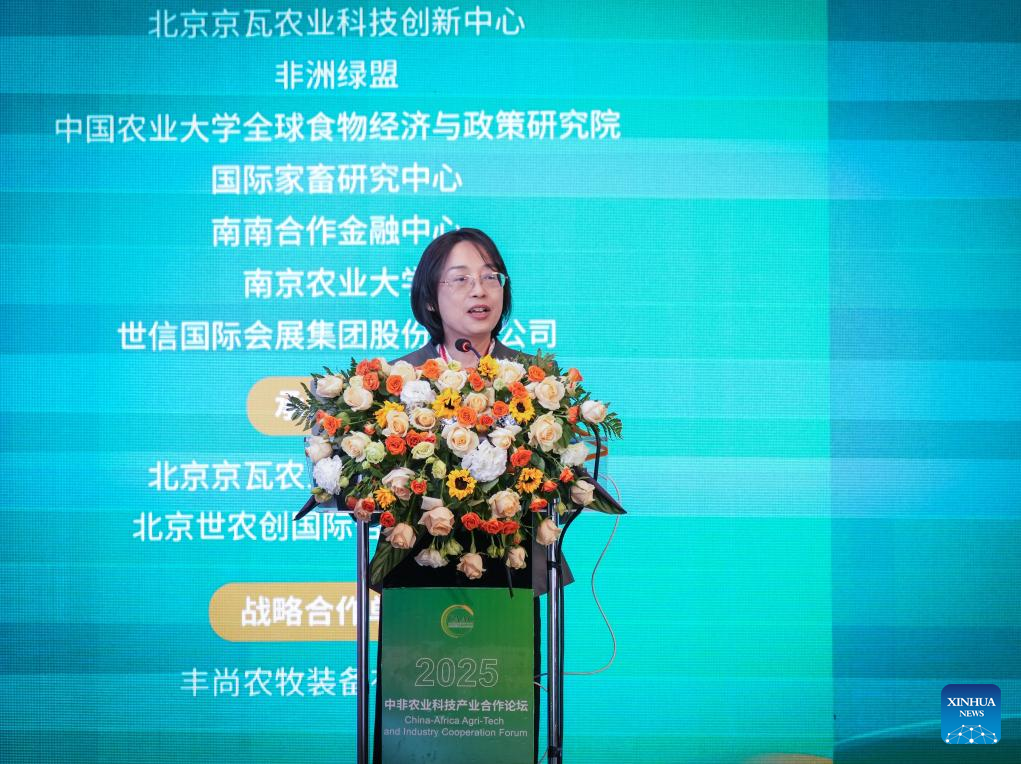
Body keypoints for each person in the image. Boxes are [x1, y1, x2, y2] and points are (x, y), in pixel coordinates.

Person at [373, 228, 570, 763]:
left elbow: (563, 477)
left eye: (490, 277)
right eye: (460, 279)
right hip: (418, 575)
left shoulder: (538, 382)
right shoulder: (395, 383)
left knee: (502, 729)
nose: (479, 290)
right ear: (429, 298)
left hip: (510, 575)